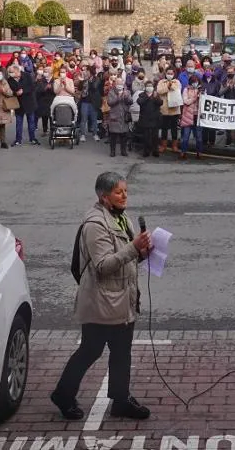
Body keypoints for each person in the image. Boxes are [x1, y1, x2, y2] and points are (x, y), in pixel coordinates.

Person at [51, 172, 153, 422]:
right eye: (119, 193)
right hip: (102, 301)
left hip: (122, 299)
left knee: (121, 351)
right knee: (90, 350)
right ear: (104, 197)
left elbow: (128, 255)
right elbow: (103, 265)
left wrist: (144, 251)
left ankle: (120, 400)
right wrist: (133, 248)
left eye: (126, 191)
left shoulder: (122, 218)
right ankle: (64, 394)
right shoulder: (95, 224)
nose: (125, 196)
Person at [7, 63, 39, 146]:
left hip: (29, 102)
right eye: (10, 72)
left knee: (31, 122)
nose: (11, 74)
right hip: (18, 103)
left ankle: (32, 138)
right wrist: (15, 93)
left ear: (17, 71)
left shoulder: (27, 76)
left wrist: (23, 91)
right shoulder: (10, 80)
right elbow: (9, 91)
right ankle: (18, 140)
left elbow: (32, 87)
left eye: (12, 72)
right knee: (18, 123)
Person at [106, 81, 133, 157]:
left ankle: (123, 150)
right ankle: (112, 151)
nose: (120, 85)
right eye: (118, 84)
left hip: (124, 116)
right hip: (114, 116)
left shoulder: (127, 92)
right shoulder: (111, 92)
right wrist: (118, 97)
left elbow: (131, 101)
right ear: (115, 84)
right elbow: (110, 102)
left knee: (124, 135)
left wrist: (126, 97)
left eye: (121, 84)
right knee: (113, 135)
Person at [136, 82, 162, 158]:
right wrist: (148, 97)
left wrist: (155, 97)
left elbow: (160, 103)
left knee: (155, 136)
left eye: (151, 86)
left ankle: (155, 151)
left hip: (155, 118)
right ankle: (146, 151)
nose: (149, 87)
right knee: (146, 136)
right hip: (145, 119)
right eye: (148, 86)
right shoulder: (142, 95)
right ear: (145, 87)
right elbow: (139, 102)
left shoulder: (156, 95)